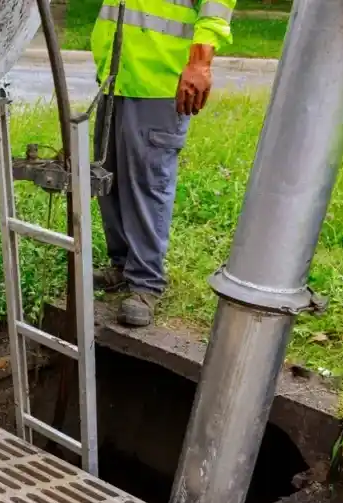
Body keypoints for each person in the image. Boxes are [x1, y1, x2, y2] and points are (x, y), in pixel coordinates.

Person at [89, 0, 235, 327]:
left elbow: (216, 6)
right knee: (108, 177)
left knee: (147, 182)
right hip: (117, 73)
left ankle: (145, 282)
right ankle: (122, 264)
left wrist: (200, 63)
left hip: (159, 77)